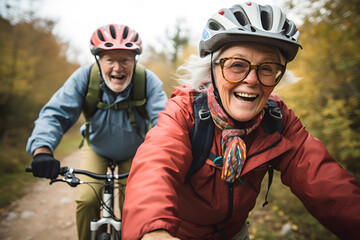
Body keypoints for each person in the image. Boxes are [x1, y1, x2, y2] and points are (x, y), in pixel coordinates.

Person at [121, 2, 360, 240]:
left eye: (267, 68)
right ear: (211, 69)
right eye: (236, 65)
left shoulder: (277, 119)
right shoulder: (186, 110)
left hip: (235, 233)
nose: (252, 79)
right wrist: (153, 231)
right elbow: (156, 166)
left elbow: (325, 183)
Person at [26, 24, 168, 240]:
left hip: (135, 153)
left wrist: (166, 156)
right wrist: (42, 150)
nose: (118, 68)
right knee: (86, 200)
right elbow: (56, 113)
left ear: (135, 61)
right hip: (97, 149)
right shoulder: (84, 78)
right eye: (110, 59)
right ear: (99, 61)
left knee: (135, 205)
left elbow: (165, 122)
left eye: (125, 60)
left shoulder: (148, 81)